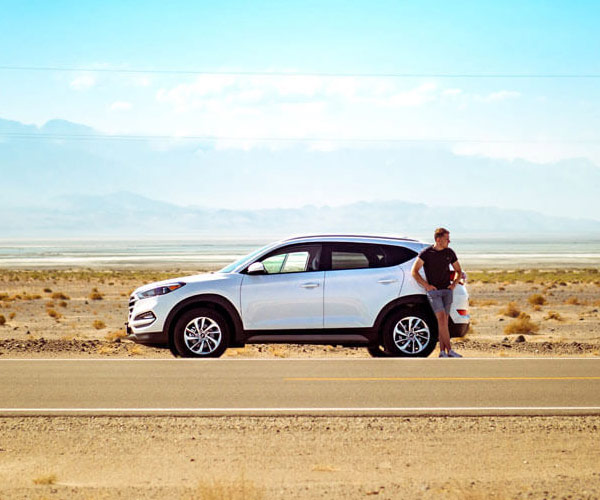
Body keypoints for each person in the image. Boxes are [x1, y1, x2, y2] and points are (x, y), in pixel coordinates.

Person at [411, 227, 463, 358]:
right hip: (434, 293)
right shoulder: (426, 253)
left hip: (447, 291)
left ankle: (443, 352)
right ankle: (447, 351)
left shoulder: (449, 252)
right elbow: (414, 271)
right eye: (447, 239)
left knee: (444, 321)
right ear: (438, 239)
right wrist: (427, 285)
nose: (449, 241)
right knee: (441, 319)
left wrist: (453, 285)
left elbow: (459, 270)